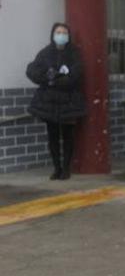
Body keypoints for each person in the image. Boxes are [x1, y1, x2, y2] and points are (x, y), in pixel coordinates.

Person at [26, 22, 86, 180]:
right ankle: (56, 168)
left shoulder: (74, 53)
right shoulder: (45, 53)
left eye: (64, 32)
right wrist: (47, 78)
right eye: (58, 32)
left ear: (68, 35)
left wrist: (58, 80)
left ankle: (66, 168)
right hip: (49, 102)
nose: (61, 35)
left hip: (69, 101)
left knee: (68, 136)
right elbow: (32, 70)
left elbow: (76, 74)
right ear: (53, 34)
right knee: (52, 136)